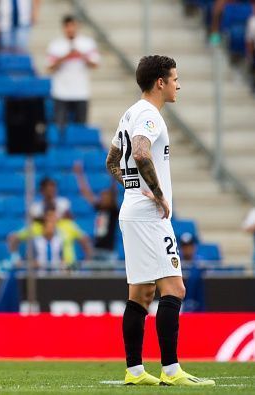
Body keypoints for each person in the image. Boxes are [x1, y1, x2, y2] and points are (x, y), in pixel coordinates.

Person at [105, 55, 214, 386]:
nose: (178, 84)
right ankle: (171, 370)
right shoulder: (150, 116)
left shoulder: (130, 113)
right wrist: (157, 193)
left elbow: (111, 161)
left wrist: (134, 188)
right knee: (175, 288)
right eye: (175, 78)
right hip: (150, 216)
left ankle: (135, 371)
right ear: (160, 83)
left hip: (133, 211)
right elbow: (140, 152)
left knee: (140, 294)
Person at [47, 15, 99, 131]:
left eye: (73, 26)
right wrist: (65, 57)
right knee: (59, 129)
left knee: (80, 128)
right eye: (67, 26)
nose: (70, 29)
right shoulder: (56, 45)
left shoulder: (87, 43)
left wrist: (81, 56)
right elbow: (49, 67)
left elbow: (95, 64)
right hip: (61, 92)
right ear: (63, 28)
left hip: (81, 92)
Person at [9, 206, 92, 268]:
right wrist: (15, 257)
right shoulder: (35, 227)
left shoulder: (68, 225)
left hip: (68, 268)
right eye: (48, 216)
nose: (51, 219)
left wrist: (87, 262)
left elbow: (85, 240)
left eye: (53, 215)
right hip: (40, 269)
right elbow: (13, 238)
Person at [73, 161, 119, 261]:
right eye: (102, 196)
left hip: (108, 251)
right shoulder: (99, 208)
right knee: (93, 276)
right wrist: (79, 175)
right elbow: (86, 193)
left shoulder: (113, 211)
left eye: (106, 196)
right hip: (96, 249)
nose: (103, 198)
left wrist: (112, 175)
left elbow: (114, 190)